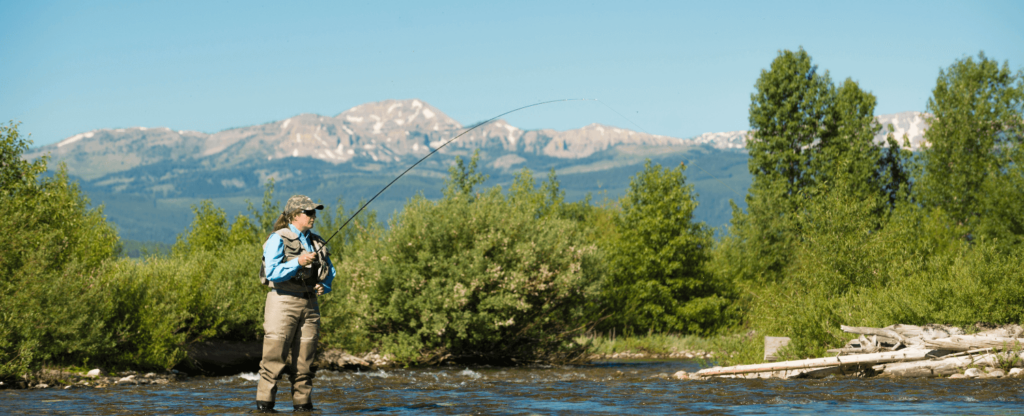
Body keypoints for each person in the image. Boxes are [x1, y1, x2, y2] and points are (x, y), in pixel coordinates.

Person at [255, 194, 336, 413]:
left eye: (314, 212)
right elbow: (271, 271)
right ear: (294, 215)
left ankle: (303, 407)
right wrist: (297, 262)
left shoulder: (317, 241)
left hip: (310, 303)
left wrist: (324, 285)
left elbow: (331, 270)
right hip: (282, 302)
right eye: (309, 212)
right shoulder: (278, 238)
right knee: (274, 360)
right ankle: (264, 407)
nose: (313, 216)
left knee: (305, 364)